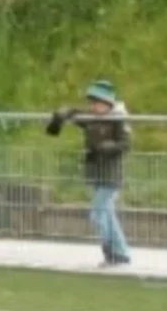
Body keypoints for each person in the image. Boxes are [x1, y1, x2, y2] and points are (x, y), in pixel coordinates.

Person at [47, 79, 132, 268]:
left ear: (108, 103)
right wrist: (64, 113)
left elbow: (125, 144)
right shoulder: (92, 119)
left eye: (98, 102)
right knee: (107, 214)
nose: (93, 106)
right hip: (96, 173)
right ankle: (121, 252)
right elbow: (77, 115)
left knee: (98, 213)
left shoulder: (118, 120)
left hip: (111, 175)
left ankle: (112, 251)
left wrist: (107, 147)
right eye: (92, 102)